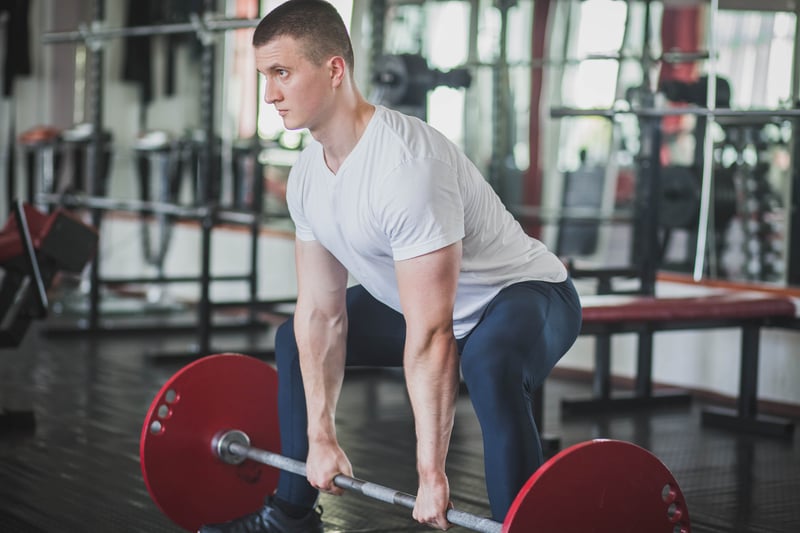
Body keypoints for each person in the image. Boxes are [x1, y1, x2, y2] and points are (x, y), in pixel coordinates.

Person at [201, 1, 582, 531]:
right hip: (429, 308)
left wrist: (431, 475)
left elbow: (430, 334)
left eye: (282, 73)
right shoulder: (308, 174)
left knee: (489, 365)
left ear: (335, 70)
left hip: (524, 294)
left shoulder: (406, 167)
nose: (269, 94)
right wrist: (321, 438)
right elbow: (320, 315)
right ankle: (290, 514)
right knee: (294, 339)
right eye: (265, 76)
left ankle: (522, 526)